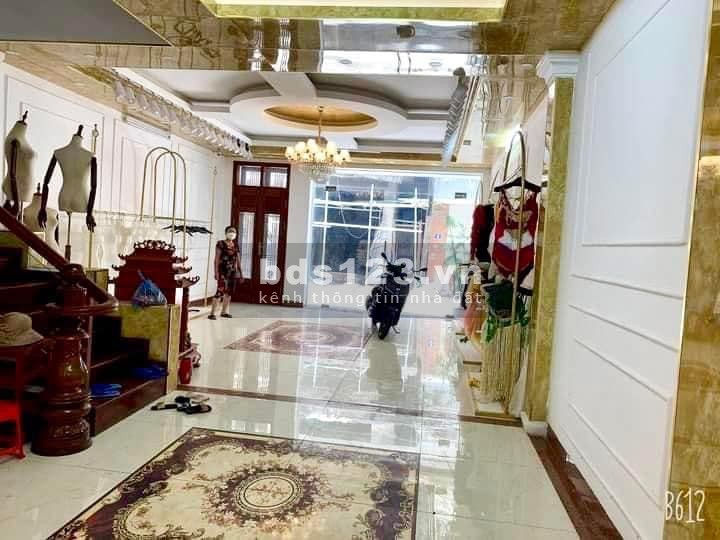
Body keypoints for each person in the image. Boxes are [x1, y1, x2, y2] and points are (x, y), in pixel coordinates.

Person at [209, 226, 242, 320]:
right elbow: (216, 259)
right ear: (226, 233)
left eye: (234, 231)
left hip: (232, 272)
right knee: (220, 291)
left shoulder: (236, 245)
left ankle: (224, 312)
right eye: (230, 231)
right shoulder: (220, 244)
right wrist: (216, 272)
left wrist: (241, 273)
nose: (232, 233)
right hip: (222, 271)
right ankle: (212, 313)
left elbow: (238, 261)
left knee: (229, 292)